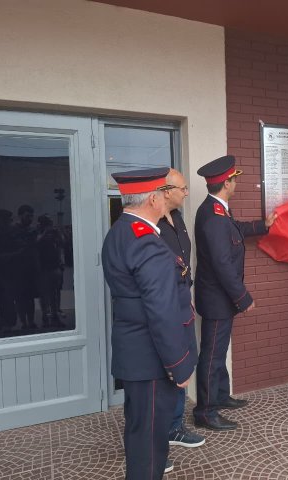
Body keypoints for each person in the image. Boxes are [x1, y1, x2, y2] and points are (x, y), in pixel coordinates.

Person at [101, 167, 197, 479]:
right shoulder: (146, 242)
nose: (167, 199)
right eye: (162, 195)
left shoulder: (121, 230)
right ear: (153, 199)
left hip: (135, 354)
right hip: (151, 358)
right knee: (150, 444)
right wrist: (178, 364)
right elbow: (161, 310)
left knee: (141, 432)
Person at [193, 155, 276, 431]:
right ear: (226, 183)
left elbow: (236, 229)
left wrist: (263, 225)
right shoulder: (214, 216)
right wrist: (243, 297)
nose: (236, 183)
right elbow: (222, 264)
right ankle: (205, 411)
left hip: (218, 298)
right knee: (212, 354)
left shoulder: (217, 210)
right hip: (218, 299)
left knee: (218, 350)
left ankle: (220, 396)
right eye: (234, 180)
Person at [156, 169, 206, 449]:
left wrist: (187, 294)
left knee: (185, 362)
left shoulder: (177, 218)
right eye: (183, 188)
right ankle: (164, 427)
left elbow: (183, 261)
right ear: (166, 192)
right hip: (164, 306)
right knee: (169, 366)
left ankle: (175, 425)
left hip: (182, 302)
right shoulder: (152, 224)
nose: (187, 193)